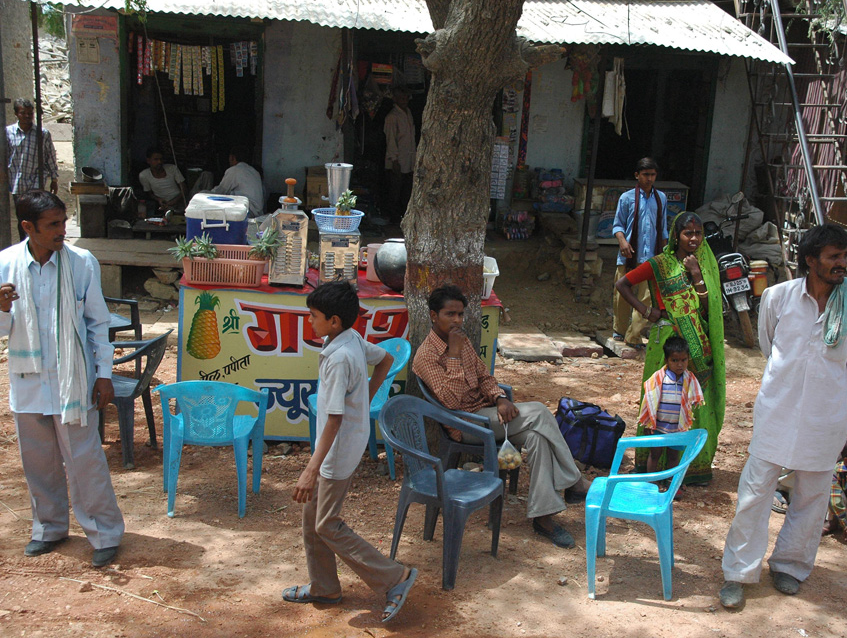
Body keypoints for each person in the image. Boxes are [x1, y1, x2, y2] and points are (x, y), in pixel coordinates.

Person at [719, 224, 847, 609]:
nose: (842, 264)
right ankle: (738, 573)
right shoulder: (777, 297)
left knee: (812, 496)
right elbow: (770, 348)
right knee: (754, 495)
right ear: (810, 260)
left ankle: (790, 566)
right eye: (834, 256)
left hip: (825, 418)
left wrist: (824, 390)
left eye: (845, 256)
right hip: (777, 412)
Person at [412, 284, 591, 549]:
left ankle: (543, 518)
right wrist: (453, 355)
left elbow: (484, 376)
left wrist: (500, 398)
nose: (457, 321)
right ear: (433, 316)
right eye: (450, 314)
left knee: (537, 437)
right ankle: (576, 482)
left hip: (489, 412)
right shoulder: (427, 355)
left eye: (461, 314)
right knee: (540, 411)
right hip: (466, 422)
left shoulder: (462, 339)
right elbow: (451, 402)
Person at [0, 190, 124, 567]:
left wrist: (104, 375)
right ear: (28, 227)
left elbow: (97, 324)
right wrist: (2, 307)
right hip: (29, 379)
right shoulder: (5, 263)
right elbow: (3, 330)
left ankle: (105, 533)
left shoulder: (82, 262)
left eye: (63, 222)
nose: (61, 231)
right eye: (53, 225)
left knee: (85, 460)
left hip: (75, 379)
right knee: (38, 461)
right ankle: (49, 528)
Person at [283, 281, 417, 622]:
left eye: (313, 316)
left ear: (334, 321)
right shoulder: (349, 340)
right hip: (344, 442)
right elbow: (385, 358)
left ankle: (393, 577)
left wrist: (311, 469)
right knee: (312, 519)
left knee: (326, 523)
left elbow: (332, 420)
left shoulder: (339, 358)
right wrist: (366, 398)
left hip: (336, 451)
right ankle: (324, 587)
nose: (309, 321)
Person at [615, 211, 725, 484]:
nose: (694, 238)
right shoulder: (659, 264)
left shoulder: (703, 264)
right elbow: (623, 283)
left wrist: (696, 273)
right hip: (665, 342)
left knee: (692, 400)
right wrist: (645, 310)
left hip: (695, 343)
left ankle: (691, 468)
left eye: (698, 233)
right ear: (676, 235)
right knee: (660, 399)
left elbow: (705, 306)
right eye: (688, 233)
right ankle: (651, 467)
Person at [611, 157, 668, 347]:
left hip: (652, 258)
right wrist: (622, 242)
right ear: (637, 175)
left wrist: (665, 255)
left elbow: (663, 228)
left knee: (647, 298)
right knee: (622, 295)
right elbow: (618, 225)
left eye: (652, 175)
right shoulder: (626, 198)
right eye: (645, 175)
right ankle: (619, 330)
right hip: (629, 254)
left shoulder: (661, 198)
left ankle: (633, 335)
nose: (649, 179)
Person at [636, 335, 705, 491]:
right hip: (658, 426)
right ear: (667, 360)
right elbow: (649, 401)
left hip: (677, 428)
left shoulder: (690, 379)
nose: (680, 365)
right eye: (675, 360)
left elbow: (695, 399)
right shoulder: (659, 378)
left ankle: (672, 484)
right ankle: (651, 484)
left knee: (673, 457)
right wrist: (648, 423)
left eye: (683, 360)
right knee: (654, 455)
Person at [6, 98, 59, 241]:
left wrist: (54, 178)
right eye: (24, 113)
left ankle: (36, 242)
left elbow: (50, 156)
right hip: (17, 182)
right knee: (22, 217)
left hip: (36, 180)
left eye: (30, 113)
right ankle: (25, 242)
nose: (28, 116)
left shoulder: (42, 133)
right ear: (16, 114)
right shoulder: (8, 133)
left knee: (36, 214)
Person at [383, 87, 416, 223]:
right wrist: (394, 160)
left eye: (406, 98)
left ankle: (403, 215)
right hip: (397, 160)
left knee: (406, 190)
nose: (404, 101)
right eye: (401, 98)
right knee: (395, 190)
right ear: (395, 99)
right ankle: (393, 218)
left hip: (409, 159)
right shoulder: (392, 117)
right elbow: (391, 140)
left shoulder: (408, 113)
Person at [211, 146, 265, 217]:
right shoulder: (254, 171)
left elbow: (220, 191)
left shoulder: (234, 170)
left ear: (232, 157)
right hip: (258, 212)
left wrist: (205, 193)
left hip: (247, 210)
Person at [138, 147, 188, 213]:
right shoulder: (144, 175)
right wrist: (159, 199)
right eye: (156, 159)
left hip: (182, 200)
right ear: (148, 161)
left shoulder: (172, 168)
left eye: (161, 159)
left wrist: (174, 201)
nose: (159, 162)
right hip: (166, 205)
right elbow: (150, 194)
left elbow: (184, 189)